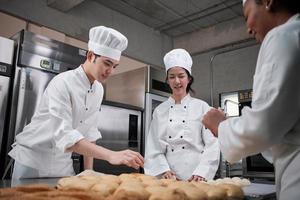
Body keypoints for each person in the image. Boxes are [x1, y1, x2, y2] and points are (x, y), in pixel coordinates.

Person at [9, 26, 144, 179]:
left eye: (114, 66)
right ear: (91, 55)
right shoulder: (63, 82)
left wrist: (89, 172)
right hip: (34, 161)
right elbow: (65, 134)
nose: (110, 71)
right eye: (107, 63)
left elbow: (89, 132)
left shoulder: (98, 89)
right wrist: (110, 155)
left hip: (62, 163)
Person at [202, 0, 300, 199]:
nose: (248, 29)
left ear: (267, 2)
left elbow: (264, 126)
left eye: (247, 16)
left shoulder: (283, 35)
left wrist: (220, 126)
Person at [144, 49, 220, 181]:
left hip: (197, 177)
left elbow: (212, 144)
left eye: (181, 76)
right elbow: (154, 146)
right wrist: (163, 170)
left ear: (189, 78)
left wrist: (202, 172)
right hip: (169, 178)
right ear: (167, 80)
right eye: (172, 77)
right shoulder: (160, 111)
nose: (177, 81)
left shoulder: (202, 107)